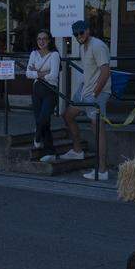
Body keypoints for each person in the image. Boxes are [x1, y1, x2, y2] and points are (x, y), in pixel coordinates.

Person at [50, 19, 111, 178]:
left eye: (81, 32)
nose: (79, 36)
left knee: (97, 128)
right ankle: (77, 151)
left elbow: (105, 71)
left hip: (96, 93)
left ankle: (102, 170)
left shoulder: (97, 46)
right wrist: (85, 90)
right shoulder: (83, 47)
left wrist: (95, 94)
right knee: (67, 115)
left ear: (88, 30)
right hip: (84, 90)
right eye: (76, 34)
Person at [26, 30, 61, 157]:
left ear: (49, 40)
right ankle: (50, 151)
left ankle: (37, 135)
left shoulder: (54, 55)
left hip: (50, 90)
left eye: (44, 39)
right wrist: (45, 73)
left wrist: (37, 73)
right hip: (37, 90)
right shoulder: (34, 54)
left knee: (43, 118)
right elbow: (28, 74)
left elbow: (54, 76)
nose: (41, 41)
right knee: (41, 120)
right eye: (39, 39)